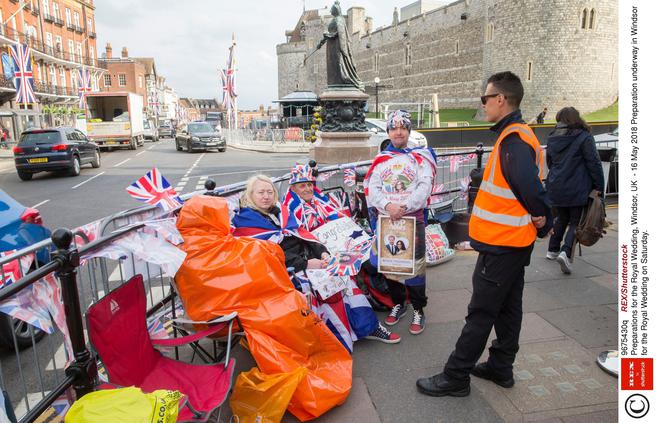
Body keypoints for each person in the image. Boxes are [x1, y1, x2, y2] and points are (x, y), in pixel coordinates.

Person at [416, 71, 552, 397]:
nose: (484, 104)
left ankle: (456, 375)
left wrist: (544, 220)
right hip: (511, 244)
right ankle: (500, 367)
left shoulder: (514, 141)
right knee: (507, 308)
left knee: (481, 312)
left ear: (500, 99)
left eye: (485, 98)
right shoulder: (517, 135)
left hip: (502, 245)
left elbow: (532, 190)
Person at [365, 110, 437, 336]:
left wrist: (404, 207)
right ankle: (399, 303)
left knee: (415, 268)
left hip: (412, 219)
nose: (398, 132)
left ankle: (418, 308)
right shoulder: (381, 160)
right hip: (388, 220)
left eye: (403, 128)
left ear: (408, 131)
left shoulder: (420, 158)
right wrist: (388, 207)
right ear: (388, 131)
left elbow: (425, 186)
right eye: (394, 128)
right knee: (391, 267)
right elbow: (372, 188)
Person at [545, 107, 604, 274]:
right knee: (576, 221)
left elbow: (550, 162)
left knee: (562, 217)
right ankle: (566, 250)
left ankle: (552, 249)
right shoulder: (584, 137)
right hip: (577, 186)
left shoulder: (552, 137)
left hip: (556, 185)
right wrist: (599, 186)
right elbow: (594, 163)